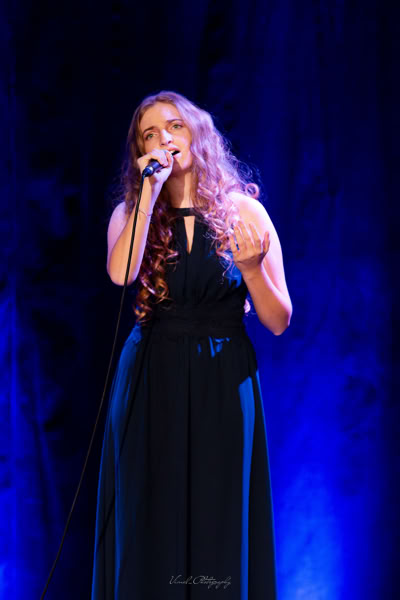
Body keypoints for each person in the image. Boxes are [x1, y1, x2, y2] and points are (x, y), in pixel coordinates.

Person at [91, 90, 292, 599]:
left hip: (222, 376)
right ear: (140, 152)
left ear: (198, 133)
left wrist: (251, 270)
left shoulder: (244, 211)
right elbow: (121, 274)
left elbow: (278, 320)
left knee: (217, 512)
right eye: (149, 134)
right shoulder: (132, 213)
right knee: (149, 512)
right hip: (151, 374)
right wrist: (151, 193)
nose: (164, 139)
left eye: (174, 126)